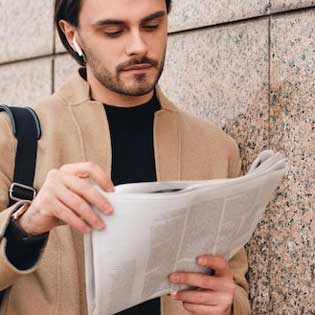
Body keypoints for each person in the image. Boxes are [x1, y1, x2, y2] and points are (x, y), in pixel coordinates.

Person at [0, 0, 251, 314]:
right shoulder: (13, 138)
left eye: (152, 25)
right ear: (72, 34)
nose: (139, 46)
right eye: (113, 31)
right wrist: (28, 225)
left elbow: (235, 288)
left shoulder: (216, 149)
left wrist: (227, 305)